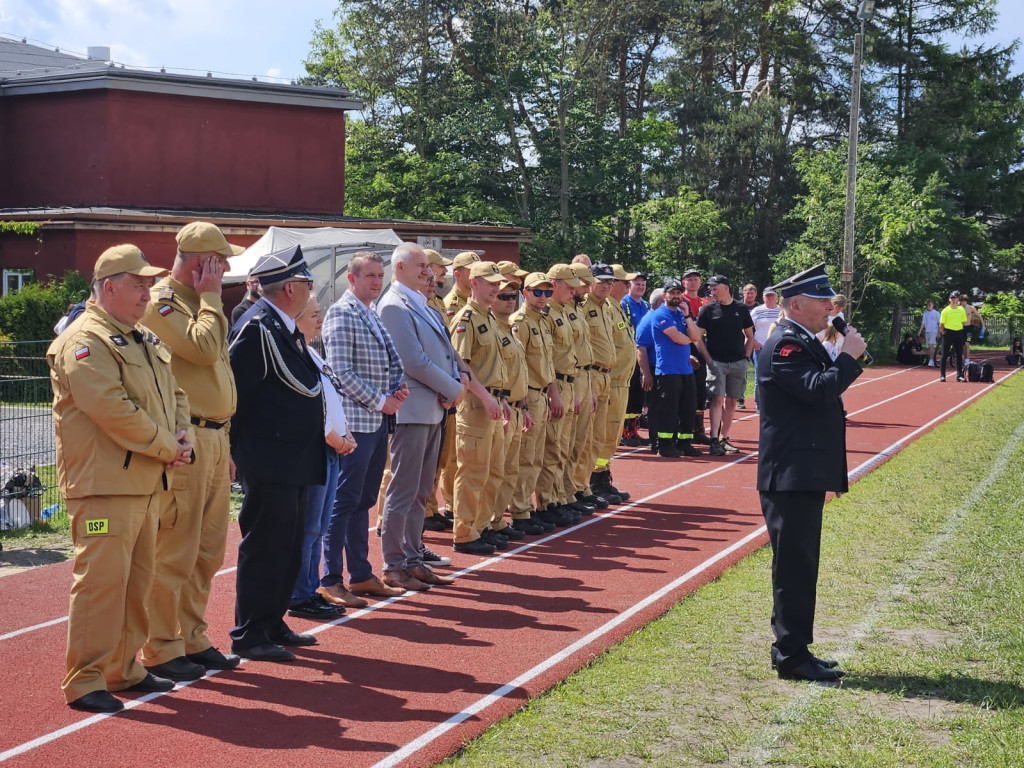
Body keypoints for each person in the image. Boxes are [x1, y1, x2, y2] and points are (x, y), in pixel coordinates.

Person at [48, 244, 193, 713]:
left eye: (150, 284)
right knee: (102, 583)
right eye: (139, 285)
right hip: (103, 488)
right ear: (108, 287)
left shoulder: (141, 337)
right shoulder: (85, 341)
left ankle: (122, 668)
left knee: (136, 582)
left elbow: (176, 394)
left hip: (144, 483)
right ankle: (84, 679)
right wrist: (169, 447)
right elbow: (111, 408)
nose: (148, 293)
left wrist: (182, 434)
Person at [140, 221, 244, 682]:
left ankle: (192, 635)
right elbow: (202, 350)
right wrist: (211, 296)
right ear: (203, 263)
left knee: (207, 548)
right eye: (220, 261)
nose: (226, 270)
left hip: (216, 437)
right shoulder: (163, 300)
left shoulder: (201, 304)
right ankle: (162, 645)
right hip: (188, 436)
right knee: (176, 548)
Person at [756, 262, 866, 682]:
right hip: (789, 473)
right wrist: (849, 360)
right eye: (822, 301)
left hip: (799, 471)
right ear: (797, 305)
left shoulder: (801, 338)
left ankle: (793, 647)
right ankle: (791, 655)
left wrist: (846, 347)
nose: (830, 307)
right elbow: (819, 390)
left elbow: (826, 382)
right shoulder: (785, 344)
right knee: (794, 567)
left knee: (799, 564)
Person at [228, 245, 326, 662]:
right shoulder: (258, 329)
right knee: (266, 545)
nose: (310, 289)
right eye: (307, 282)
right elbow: (236, 395)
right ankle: (250, 631)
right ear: (289, 288)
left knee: (288, 546)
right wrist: (236, 451)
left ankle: (272, 619)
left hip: (294, 456)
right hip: (270, 457)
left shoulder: (281, 327)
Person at [319, 252, 410, 604]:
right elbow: (341, 372)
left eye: (379, 275)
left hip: (376, 420)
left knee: (363, 501)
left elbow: (385, 362)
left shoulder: (369, 313)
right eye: (369, 275)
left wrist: (395, 390)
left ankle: (359, 574)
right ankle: (330, 578)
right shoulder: (342, 313)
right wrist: (380, 400)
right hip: (356, 423)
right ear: (351, 279)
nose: (376, 281)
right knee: (343, 503)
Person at [376, 243, 465, 588]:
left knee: (420, 489)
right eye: (421, 267)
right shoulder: (394, 306)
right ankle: (394, 563)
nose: (429, 273)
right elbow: (412, 361)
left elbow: (443, 353)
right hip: (413, 409)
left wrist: (451, 385)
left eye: (429, 267)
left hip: (432, 407)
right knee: (403, 488)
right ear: (399, 269)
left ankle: (413, 558)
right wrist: (453, 389)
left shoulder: (421, 304)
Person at [288, 295, 359, 619]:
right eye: (315, 314)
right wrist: (336, 438)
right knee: (309, 528)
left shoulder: (312, 354)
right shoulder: (295, 355)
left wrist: (345, 435)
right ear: (297, 316)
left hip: (331, 450)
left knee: (317, 526)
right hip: (319, 449)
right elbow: (311, 410)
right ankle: (300, 594)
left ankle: (309, 588)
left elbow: (331, 401)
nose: (320, 320)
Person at [449, 260, 511, 554]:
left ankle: (482, 526)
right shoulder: (466, 319)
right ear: (474, 283)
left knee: (493, 471)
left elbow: (495, 366)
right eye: (491, 283)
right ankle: (464, 533)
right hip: (476, 406)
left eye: (498, 284)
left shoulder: (489, 318)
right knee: (473, 471)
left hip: (494, 404)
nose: (496, 289)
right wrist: (487, 398)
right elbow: (463, 367)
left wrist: (503, 400)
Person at [509, 272, 558, 534]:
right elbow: (519, 366)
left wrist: (552, 393)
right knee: (526, 457)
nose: (542, 297)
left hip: (542, 394)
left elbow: (546, 363)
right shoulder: (521, 322)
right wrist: (524, 403)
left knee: (537, 457)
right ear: (525, 293)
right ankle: (520, 511)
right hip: (529, 394)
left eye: (547, 292)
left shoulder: (542, 321)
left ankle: (529, 508)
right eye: (537, 292)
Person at [696, 275, 754, 456]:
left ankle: (724, 437)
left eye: (715, 288)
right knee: (717, 399)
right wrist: (708, 360)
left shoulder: (741, 308)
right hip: (716, 363)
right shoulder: (707, 309)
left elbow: (750, 336)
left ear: (726, 288)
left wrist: (746, 358)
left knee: (732, 401)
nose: (712, 291)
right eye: (711, 289)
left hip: (738, 362)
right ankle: (714, 439)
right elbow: (697, 338)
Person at [649, 279, 703, 458]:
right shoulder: (660, 314)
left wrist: (688, 316)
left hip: (685, 370)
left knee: (688, 409)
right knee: (669, 410)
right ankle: (664, 444)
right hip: (668, 371)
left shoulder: (680, 314)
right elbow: (679, 338)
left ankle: (684, 442)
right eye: (672, 293)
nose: (676, 296)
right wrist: (691, 339)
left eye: (679, 293)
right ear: (665, 296)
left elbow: (696, 335)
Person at [680, 268, 710, 443]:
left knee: (700, 389)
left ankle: (698, 429)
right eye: (689, 279)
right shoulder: (680, 300)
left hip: (701, 347)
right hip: (685, 346)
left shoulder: (704, 302)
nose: (692, 282)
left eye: (696, 279)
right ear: (684, 282)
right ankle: (684, 428)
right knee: (685, 389)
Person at [620, 273, 649, 445]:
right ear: (629, 285)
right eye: (637, 284)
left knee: (639, 394)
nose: (640, 287)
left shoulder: (645, 305)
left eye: (643, 284)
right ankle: (624, 432)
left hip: (642, 354)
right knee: (629, 394)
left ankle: (634, 430)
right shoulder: (624, 304)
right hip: (629, 354)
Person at [749, 287, 780, 411]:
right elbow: (747, 327)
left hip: (777, 348)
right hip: (761, 347)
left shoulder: (781, 311)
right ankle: (760, 404)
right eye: (768, 296)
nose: (770, 298)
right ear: (763, 298)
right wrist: (754, 342)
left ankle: (774, 402)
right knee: (760, 376)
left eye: (772, 295)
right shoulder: (757, 311)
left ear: (776, 297)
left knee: (778, 376)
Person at [938, 291, 967, 383]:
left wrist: (960, 331)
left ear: (958, 299)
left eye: (955, 298)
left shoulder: (961, 310)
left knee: (959, 355)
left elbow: (963, 322)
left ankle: (959, 375)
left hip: (958, 332)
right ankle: (942, 375)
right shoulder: (945, 311)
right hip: (948, 333)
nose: (954, 300)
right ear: (949, 300)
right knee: (944, 354)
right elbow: (941, 324)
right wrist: (944, 333)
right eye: (952, 298)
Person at [960, 293, 985, 364]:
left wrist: (983, 326)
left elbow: (979, 316)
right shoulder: (958, 309)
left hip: (969, 328)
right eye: (961, 300)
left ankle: (967, 360)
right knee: (961, 345)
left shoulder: (971, 308)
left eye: (963, 300)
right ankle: (961, 358)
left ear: (966, 301)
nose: (962, 302)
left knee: (967, 344)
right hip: (961, 328)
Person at [918, 300, 941, 367]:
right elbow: (923, 323)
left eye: (930, 305)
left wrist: (939, 332)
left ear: (933, 305)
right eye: (928, 305)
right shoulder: (925, 313)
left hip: (934, 331)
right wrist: (920, 331)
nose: (929, 306)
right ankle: (930, 359)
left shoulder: (936, 313)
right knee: (929, 346)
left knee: (931, 345)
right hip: (927, 331)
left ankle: (931, 360)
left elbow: (939, 323)